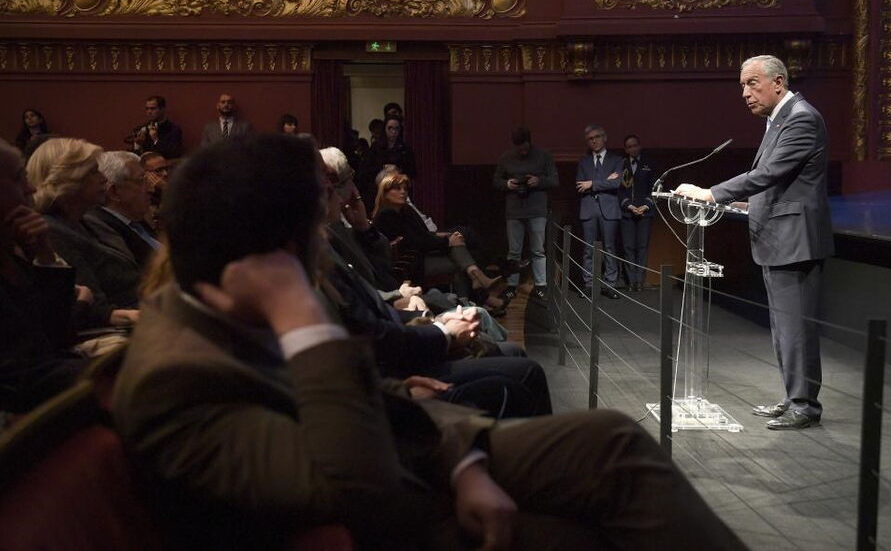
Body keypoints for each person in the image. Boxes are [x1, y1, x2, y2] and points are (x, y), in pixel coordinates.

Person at [111, 133, 747, 550]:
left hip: (426, 455)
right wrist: (301, 313)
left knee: (607, 438)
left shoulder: (233, 302)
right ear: (281, 247)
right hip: (389, 509)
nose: (325, 241)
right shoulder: (177, 373)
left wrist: (464, 461)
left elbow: (368, 393)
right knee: (569, 534)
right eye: (316, 223)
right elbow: (357, 486)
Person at [675, 55, 833, 431]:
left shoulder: (801, 118)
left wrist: (712, 193)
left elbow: (769, 173)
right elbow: (780, 183)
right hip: (778, 237)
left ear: (778, 82)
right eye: (742, 86)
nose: (745, 93)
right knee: (783, 328)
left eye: (751, 83)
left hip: (795, 241)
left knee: (795, 328)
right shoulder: (778, 118)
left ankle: (805, 405)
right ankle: (794, 398)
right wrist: (745, 203)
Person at [0, 140, 89, 413]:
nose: (32, 189)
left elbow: (56, 337)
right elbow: (17, 375)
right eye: (18, 179)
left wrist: (45, 254)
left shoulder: (17, 250)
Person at [26, 138, 140, 329]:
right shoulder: (52, 231)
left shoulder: (85, 220)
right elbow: (97, 311)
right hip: (126, 330)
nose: (104, 178)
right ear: (68, 178)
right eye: (94, 171)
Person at [372, 173, 503, 302]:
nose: (403, 192)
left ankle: (474, 284)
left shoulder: (405, 209)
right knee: (460, 260)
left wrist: (448, 239)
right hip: (411, 265)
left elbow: (423, 234)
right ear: (385, 192)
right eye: (397, 188)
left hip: (420, 255)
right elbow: (416, 242)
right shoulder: (386, 215)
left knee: (461, 237)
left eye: (405, 189)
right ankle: (473, 291)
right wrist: (447, 241)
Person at [493, 127, 558, 300]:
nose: (522, 150)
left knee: (538, 250)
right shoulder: (506, 157)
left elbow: (554, 180)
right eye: (518, 147)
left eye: (524, 146)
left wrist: (539, 181)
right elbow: (496, 180)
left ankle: (541, 286)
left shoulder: (543, 156)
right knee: (514, 251)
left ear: (530, 141)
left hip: (537, 210)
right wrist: (508, 184)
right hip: (514, 211)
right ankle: (512, 286)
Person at [84, 152, 161, 270]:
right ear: (114, 192)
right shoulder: (104, 232)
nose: (150, 189)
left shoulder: (134, 219)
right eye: (141, 181)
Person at [575, 125, 623, 299]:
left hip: (609, 209)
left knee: (609, 247)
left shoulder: (617, 160)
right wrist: (604, 181)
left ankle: (610, 284)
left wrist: (593, 184)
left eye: (597, 137)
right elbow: (580, 185)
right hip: (589, 209)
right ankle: (588, 284)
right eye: (590, 139)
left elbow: (617, 183)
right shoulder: (584, 162)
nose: (594, 141)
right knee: (588, 249)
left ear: (604, 138)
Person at [619, 134, 655, 292]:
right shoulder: (622, 165)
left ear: (639, 146)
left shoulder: (649, 164)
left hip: (645, 213)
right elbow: (621, 190)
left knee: (642, 247)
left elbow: (654, 189)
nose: (633, 148)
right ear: (626, 149)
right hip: (627, 213)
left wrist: (645, 206)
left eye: (635, 145)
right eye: (629, 146)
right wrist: (629, 206)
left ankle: (640, 281)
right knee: (628, 247)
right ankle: (631, 281)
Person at [129, 95, 184, 160]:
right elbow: (134, 157)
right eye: (147, 109)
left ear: (162, 109)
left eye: (153, 108)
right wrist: (137, 144)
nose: (149, 112)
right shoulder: (143, 128)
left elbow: (174, 154)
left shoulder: (173, 129)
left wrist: (156, 140)